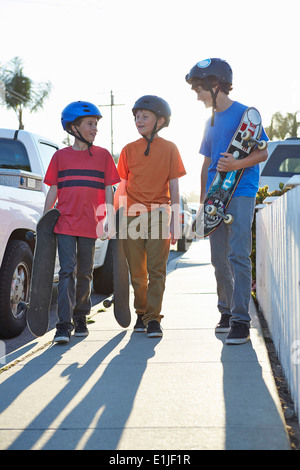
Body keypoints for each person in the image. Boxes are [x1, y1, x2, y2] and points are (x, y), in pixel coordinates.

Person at [185, 58, 269, 344]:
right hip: (214, 197)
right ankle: (226, 311)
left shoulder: (246, 115)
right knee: (219, 259)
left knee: (238, 256)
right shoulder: (208, 123)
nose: (197, 95)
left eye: (199, 89)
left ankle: (242, 320)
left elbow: (263, 153)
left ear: (215, 84)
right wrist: (201, 201)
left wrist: (237, 164)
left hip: (241, 191)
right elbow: (207, 163)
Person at [44, 101, 120, 343]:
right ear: (74, 127)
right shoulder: (60, 157)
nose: (95, 128)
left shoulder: (104, 156)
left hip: (90, 223)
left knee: (86, 272)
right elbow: (53, 190)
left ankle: (81, 317)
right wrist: (45, 222)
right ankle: (63, 325)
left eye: (96, 124)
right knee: (67, 271)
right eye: (90, 124)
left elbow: (110, 189)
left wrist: (109, 218)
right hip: (65, 223)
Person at [114, 95, 186, 338]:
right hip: (132, 215)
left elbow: (174, 188)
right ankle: (141, 313)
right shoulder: (128, 150)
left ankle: (153, 318)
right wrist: (115, 218)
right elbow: (122, 186)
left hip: (159, 213)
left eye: (145, 116)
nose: (139, 120)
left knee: (157, 270)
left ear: (160, 120)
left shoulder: (170, 149)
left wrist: (176, 221)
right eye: (136, 117)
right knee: (137, 271)